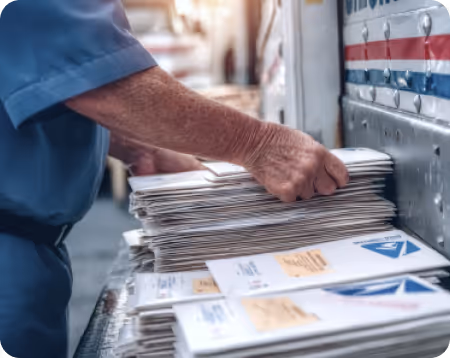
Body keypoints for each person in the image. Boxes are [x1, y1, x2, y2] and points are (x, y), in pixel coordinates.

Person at [0, 1, 348, 357]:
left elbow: (55, 91)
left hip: (34, 250)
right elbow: (103, 84)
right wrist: (256, 142)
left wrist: (141, 149)